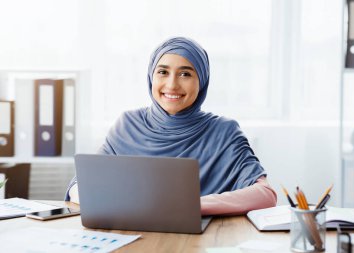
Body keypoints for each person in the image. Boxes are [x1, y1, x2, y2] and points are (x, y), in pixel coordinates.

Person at [65, 37, 277, 215]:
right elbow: (81, 185)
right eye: (163, 72)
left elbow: (265, 194)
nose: (172, 84)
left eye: (185, 74)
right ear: (151, 76)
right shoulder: (127, 125)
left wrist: (189, 206)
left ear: (201, 81)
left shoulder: (224, 132)